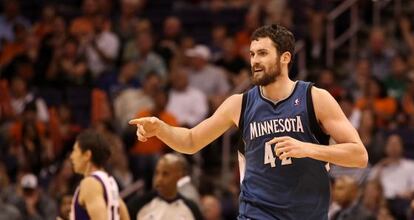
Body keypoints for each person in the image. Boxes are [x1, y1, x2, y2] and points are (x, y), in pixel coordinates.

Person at [129, 24, 368, 219]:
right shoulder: (239, 104)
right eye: (252, 54)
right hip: (256, 213)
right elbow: (191, 141)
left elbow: (359, 155)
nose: (254, 60)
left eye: (263, 53)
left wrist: (307, 148)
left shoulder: (315, 98)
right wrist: (160, 128)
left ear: (285, 58)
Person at [69, 129, 130, 220]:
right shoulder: (109, 182)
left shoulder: (90, 183)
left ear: (87, 155)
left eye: (75, 151)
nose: (72, 156)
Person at [127, 153, 203, 220]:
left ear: (179, 177)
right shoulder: (137, 205)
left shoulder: (191, 208)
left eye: (165, 174)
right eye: (157, 173)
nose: (159, 179)